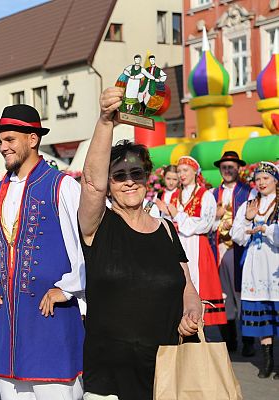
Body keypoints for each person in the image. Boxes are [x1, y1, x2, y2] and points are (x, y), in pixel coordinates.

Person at [78, 87, 201, 400]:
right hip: (110, 378)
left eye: (136, 172)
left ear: (148, 177)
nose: (129, 180)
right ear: (109, 185)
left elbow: (188, 289)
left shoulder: (168, 230)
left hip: (166, 372)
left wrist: (191, 314)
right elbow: (91, 184)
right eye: (119, 176)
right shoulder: (98, 227)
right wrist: (106, 122)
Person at [0, 104, 85, 400]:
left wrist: (69, 288)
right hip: (6, 324)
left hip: (51, 321)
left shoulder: (62, 186)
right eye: (0, 141)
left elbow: (87, 246)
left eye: (9, 140)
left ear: (32, 139)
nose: (2, 147)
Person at [166, 156, 227, 327]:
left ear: (195, 171)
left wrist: (178, 216)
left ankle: (201, 329)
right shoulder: (174, 196)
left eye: (185, 170)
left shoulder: (205, 195)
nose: (181, 174)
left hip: (197, 245)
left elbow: (205, 224)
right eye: (179, 171)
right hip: (178, 243)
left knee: (199, 284)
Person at [231, 161, 279, 379]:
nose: (261, 182)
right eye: (258, 179)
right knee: (262, 315)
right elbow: (237, 235)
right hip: (256, 264)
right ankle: (267, 360)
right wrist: (249, 220)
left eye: (266, 178)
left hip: (275, 263)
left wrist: (266, 229)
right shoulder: (250, 204)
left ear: (275, 181)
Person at [209, 151, 254, 355]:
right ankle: (229, 341)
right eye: (224, 167)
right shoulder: (212, 194)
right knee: (223, 294)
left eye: (231, 167)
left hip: (240, 249)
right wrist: (217, 219)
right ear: (220, 169)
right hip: (218, 249)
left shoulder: (248, 192)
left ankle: (249, 342)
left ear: (238, 169)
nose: (228, 170)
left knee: (242, 294)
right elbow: (206, 223)